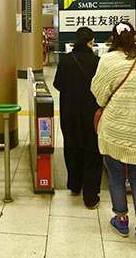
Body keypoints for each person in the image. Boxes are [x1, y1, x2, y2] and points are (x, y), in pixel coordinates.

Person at [91, 22, 136, 247]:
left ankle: (121, 220)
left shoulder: (107, 60)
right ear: (134, 36)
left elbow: (99, 95)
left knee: (117, 178)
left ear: (113, 37)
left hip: (114, 131)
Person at [53, 27, 103, 209]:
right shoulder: (97, 62)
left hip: (69, 112)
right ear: (91, 42)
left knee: (72, 147)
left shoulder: (66, 60)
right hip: (91, 114)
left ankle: (75, 185)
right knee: (92, 151)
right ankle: (90, 195)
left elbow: (57, 84)